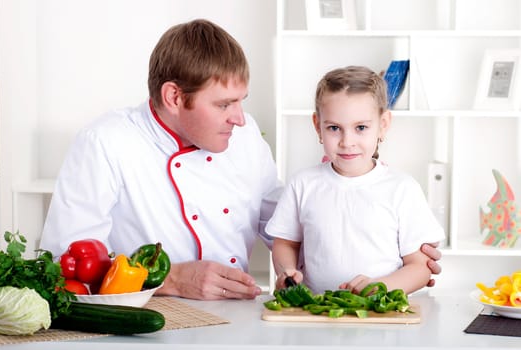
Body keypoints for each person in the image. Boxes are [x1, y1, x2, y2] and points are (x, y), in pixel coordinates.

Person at [40, 20, 442, 300]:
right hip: (156, 317)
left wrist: (397, 260)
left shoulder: (244, 133)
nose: (240, 117)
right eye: (224, 104)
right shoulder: (105, 143)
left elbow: (281, 222)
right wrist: (170, 279)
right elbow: (65, 264)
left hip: (242, 317)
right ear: (174, 97)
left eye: (240, 101)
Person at [266, 66, 445, 295]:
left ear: (383, 125)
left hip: (380, 314)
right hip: (315, 312)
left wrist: (382, 287)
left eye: (361, 127)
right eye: (334, 128)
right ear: (317, 126)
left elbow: (420, 268)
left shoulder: (402, 188)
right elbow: (286, 243)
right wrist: (287, 271)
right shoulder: (302, 184)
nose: (347, 141)